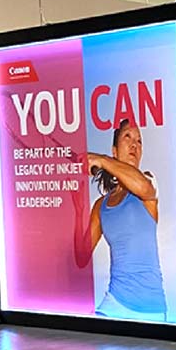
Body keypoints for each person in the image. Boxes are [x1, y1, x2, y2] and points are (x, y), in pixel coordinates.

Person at [72, 119, 168, 321]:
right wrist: (79, 211)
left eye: (139, 141)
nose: (135, 145)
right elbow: (81, 257)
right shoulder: (101, 206)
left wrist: (102, 160)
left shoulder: (148, 182)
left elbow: (141, 186)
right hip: (114, 302)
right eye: (128, 137)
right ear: (115, 150)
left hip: (151, 306)